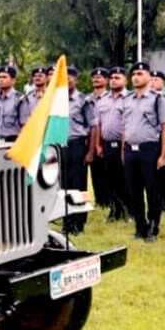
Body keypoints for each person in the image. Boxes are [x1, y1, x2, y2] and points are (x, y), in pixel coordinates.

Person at [122, 61, 165, 242]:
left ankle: (153, 227)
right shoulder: (127, 99)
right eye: (134, 74)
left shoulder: (157, 99)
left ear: (149, 77)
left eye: (140, 73)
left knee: (152, 190)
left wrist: (163, 155)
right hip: (130, 150)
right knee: (134, 191)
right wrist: (123, 151)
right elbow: (125, 127)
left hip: (149, 149)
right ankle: (140, 226)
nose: (136, 77)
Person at [61, 66, 98, 234]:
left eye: (71, 77)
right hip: (60, 147)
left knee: (79, 185)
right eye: (64, 77)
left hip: (77, 145)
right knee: (63, 186)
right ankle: (66, 221)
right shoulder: (55, 101)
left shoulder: (83, 100)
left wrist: (90, 152)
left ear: (76, 80)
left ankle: (79, 222)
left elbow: (94, 126)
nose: (67, 80)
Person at [96, 67, 129, 221]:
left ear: (125, 80)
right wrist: (98, 144)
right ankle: (114, 210)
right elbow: (98, 124)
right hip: (107, 144)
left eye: (117, 77)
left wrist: (123, 148)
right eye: (112, 78)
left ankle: (128, 210)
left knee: (125, 179)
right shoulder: (103, 100)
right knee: (110, 179)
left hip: (123, 145)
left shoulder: (130, 98)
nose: (113, 80)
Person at [88, 68, 115, 216]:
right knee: (95, 170)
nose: (96, 79)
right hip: (90, 138)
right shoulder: (87, 99)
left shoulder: (110, 98)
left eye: (99, 77)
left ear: (106, 80)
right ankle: (100, 200)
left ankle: (111, 200)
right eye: (94, 77)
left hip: (106, 138)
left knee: (109, 171)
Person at [150, 70, 165, 214]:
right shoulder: (148, 98)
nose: (153, 82)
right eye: (151, 79)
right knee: (153, 173)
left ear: (163, 82)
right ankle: (157, 201)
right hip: (151, 138)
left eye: (156, 79)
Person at [0, 66, 26, 142]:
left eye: (4, 77)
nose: (1, 80)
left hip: (12, 140)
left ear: (13, 81)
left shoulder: (20, 99)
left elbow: (24, 124)